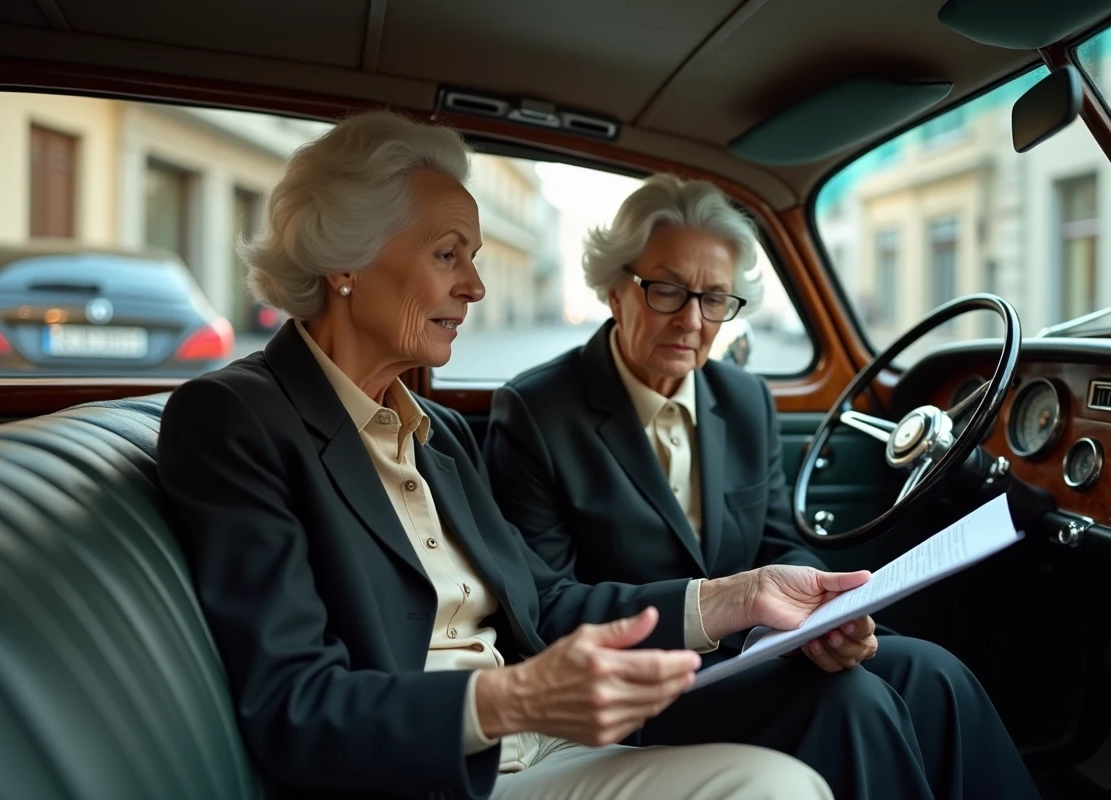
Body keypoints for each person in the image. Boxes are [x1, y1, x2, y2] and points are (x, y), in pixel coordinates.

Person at [155, 111, 851, 800]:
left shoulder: (439, 433)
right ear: (346, 260)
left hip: (548, 738)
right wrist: (514, 698)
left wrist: (739, 597)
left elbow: (541, 601)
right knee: (778, 789)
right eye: (447, 254)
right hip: (437, 771)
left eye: (474, 258)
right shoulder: (236, 419)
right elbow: (295, 705)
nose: (475, 287)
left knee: (845, 700)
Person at [483, 175, 1042, 800]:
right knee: (851, 699)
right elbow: (545, 608)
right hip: (633, 685)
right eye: (666, 290)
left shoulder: (745, 399)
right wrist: (724, 603)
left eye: (715, 298)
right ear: (615, 289)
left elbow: (778, 541)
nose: (692, 320)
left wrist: (827, 617)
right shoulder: (537, 410)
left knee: (933, 671)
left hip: (754, 650)